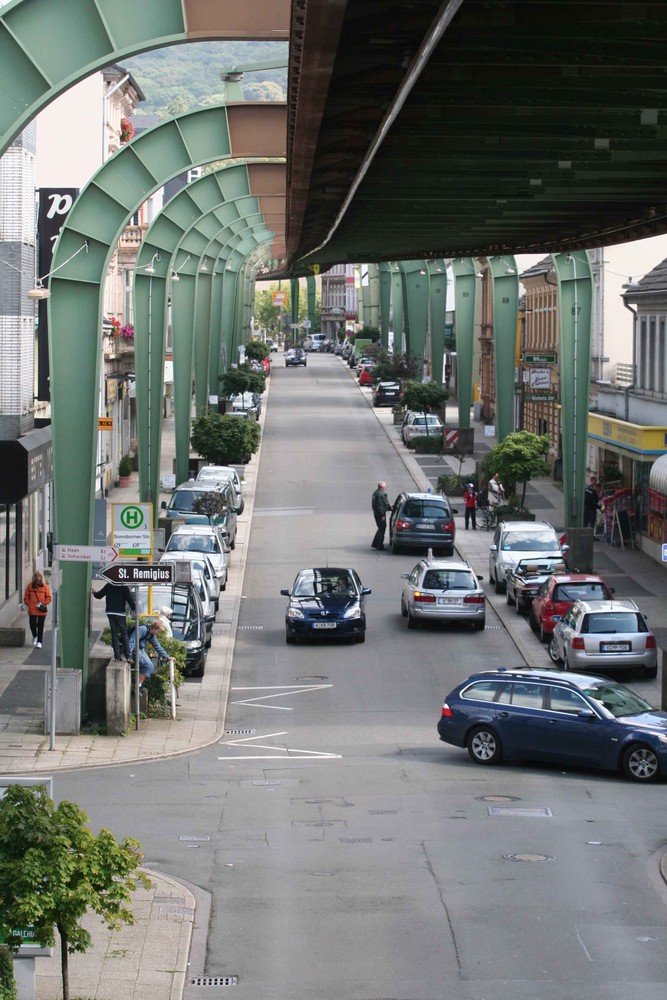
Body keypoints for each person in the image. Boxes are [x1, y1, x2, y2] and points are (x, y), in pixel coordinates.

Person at [92, 582, 136, 661]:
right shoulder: (124, 587)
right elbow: (130, 600)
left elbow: (99, 596)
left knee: (114, 634)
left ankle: (117, 657)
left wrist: (94, 592)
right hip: (120, 613)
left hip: (110, 612)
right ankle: (128, 656)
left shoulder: (109, 585)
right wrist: (135, 609)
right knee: (124, 634)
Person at [128, 620, 170, 686]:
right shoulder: (143, 629)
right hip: (134, 649)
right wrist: (129, 655)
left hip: (140, 649)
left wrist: (167, 657)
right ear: (154, 628)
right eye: (158, 631)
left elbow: (157, 646)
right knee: (148, 665)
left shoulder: (151, 635)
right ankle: (137, 686)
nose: (158, 634)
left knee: (150, 666)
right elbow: (132, 641)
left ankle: (138, 684)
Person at [22, 570, 51, 648]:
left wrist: (44, 603)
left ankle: (39, 641)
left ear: (41, 578)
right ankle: (35, 636)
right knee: (32, 625)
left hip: (41, 610)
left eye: (39, 577)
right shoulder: (30, 587)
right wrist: (30, 604)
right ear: (34, 578)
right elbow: (26, 597)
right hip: (32, 610)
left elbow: (48, 597)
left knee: (41, 626)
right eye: (36, 577)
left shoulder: (45, 587)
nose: (37, 579)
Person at [371, 481, 391, 550]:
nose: (386, 487)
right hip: (380, 514)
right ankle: (379, 545)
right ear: (382, 487)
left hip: (377, 513)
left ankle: (375, 543)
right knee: (382, 528)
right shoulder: (380, 494)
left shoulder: (376, 493)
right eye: (385, 486)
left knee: (380, 528)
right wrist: (382, 515)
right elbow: (380, 506)